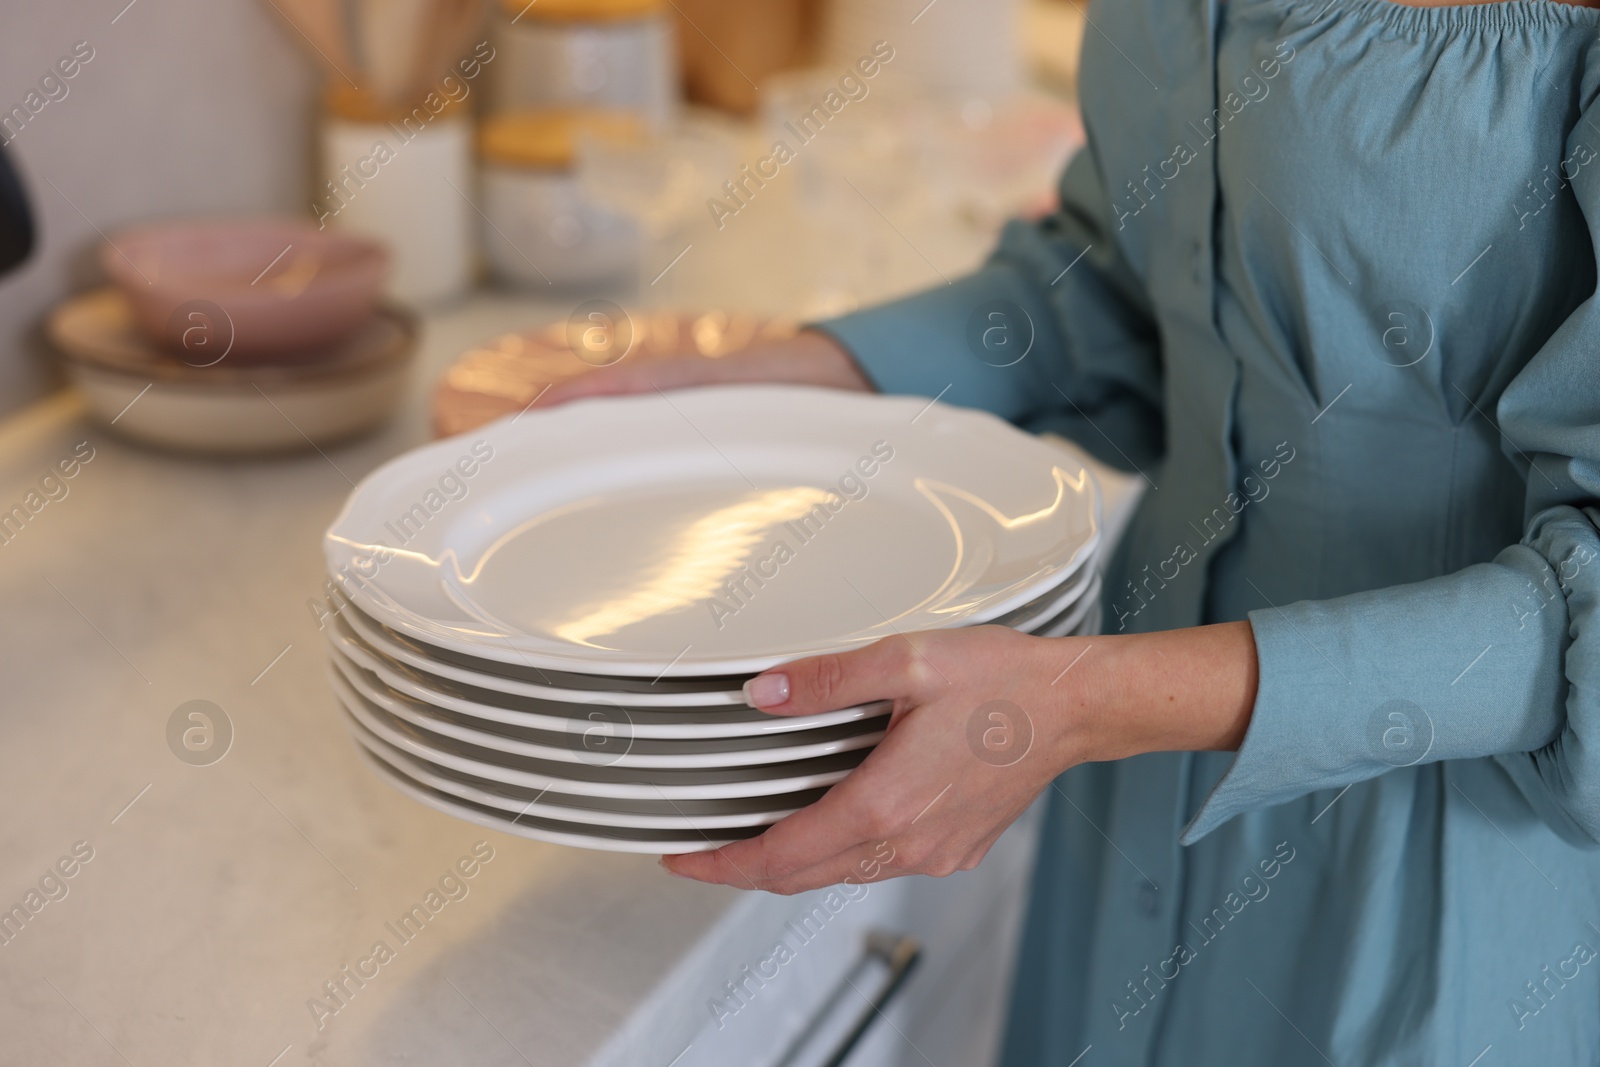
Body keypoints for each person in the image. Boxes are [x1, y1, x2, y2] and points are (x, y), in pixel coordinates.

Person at [540, 0, 1600, 1060]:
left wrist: (1084, 703)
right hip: (1125, 780)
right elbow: (1130, 290)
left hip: (1431, 856)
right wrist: (793, 376)